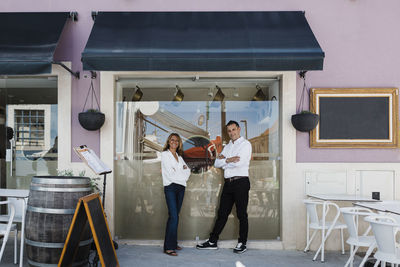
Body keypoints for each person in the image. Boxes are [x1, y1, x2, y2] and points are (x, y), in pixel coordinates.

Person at [196, 120, 252, 254]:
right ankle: (212, 241)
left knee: (241, 214)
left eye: (233, 129)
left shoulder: (246, 145)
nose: (231, 133)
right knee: (222, 213)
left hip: (241, 182)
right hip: (228, 183)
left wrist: (225, 161)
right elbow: (217, 163)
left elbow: (240, 163)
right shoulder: (227, 147)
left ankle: (242, 243)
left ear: (239, 129)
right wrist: (228, 160)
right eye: (229, 131)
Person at [161, 133, 191, 256]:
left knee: (174, 216)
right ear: (168, 141)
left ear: (179, 143)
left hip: (181, 188)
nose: (174, 142)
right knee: (174, 216)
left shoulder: (179, 156)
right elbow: (170, 174)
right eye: (172, 140)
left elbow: (188, 171)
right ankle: (168, 247)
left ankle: (172, 242)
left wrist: (179, 172)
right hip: (171, 187)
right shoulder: (165, 155)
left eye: (177, 141)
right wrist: (181, 173)